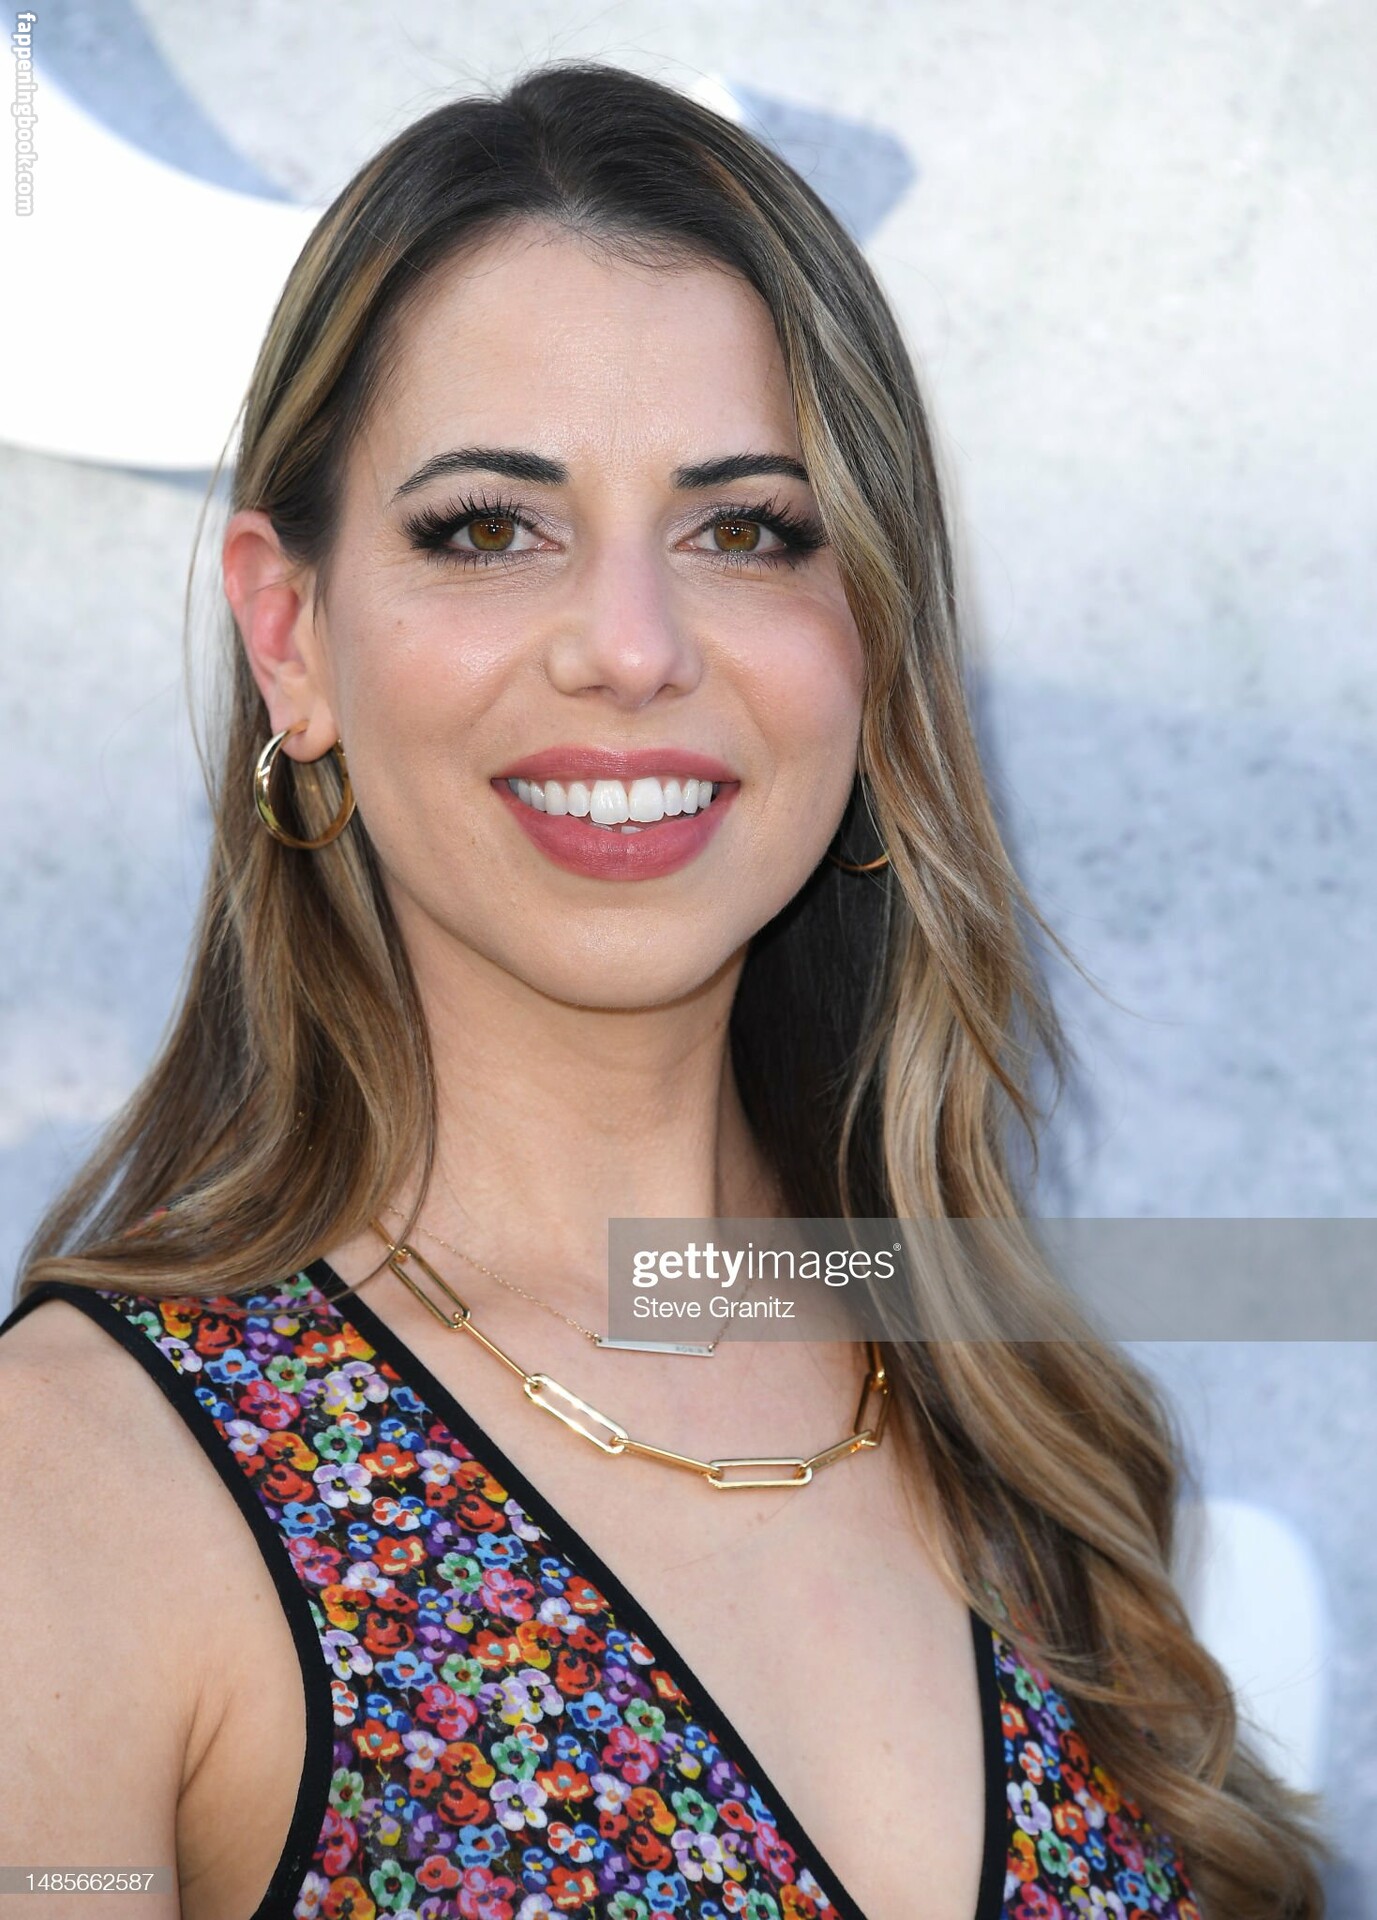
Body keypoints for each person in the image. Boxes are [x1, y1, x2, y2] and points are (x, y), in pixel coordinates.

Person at [0, 60, 1325, 1920]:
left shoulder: (1014, 1419)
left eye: (745, 529)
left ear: (869, 637)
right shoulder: (69, 1498)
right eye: (488, 527)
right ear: (290, 637)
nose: (629, 649)